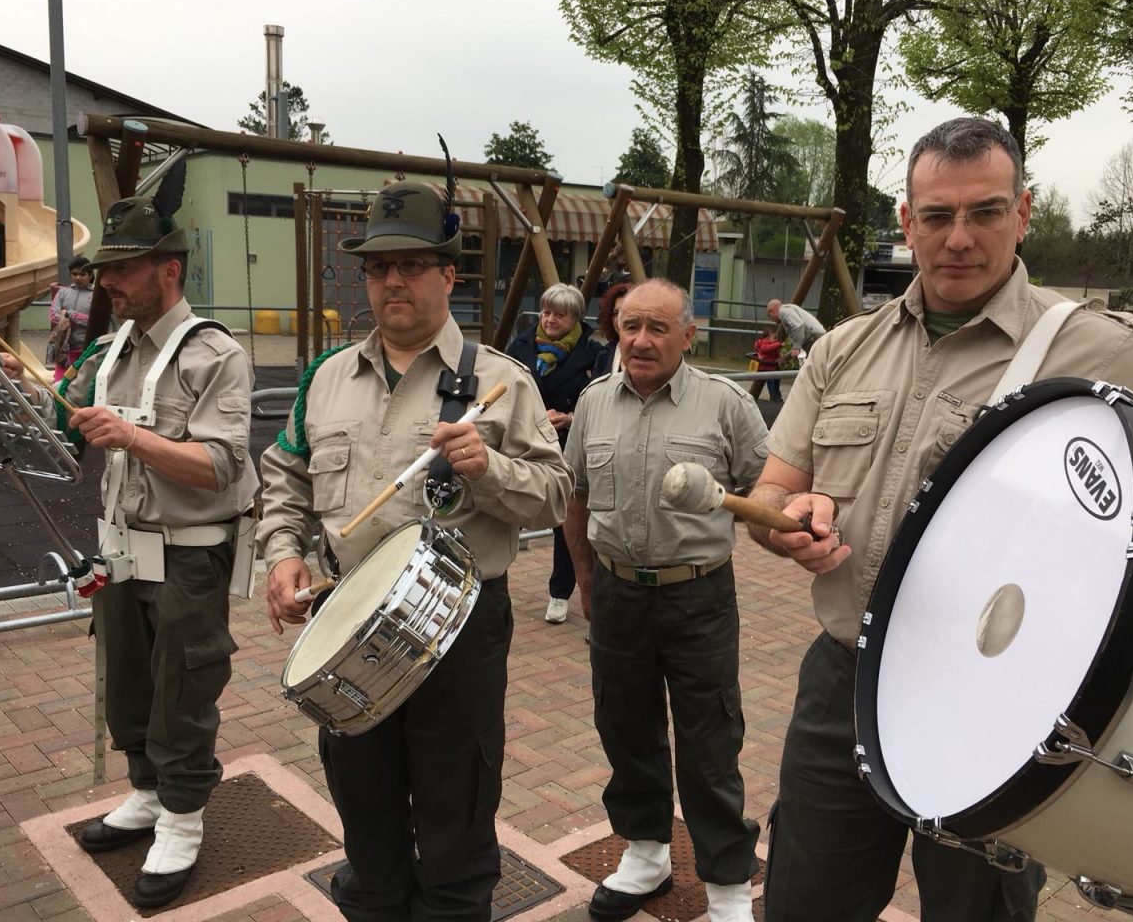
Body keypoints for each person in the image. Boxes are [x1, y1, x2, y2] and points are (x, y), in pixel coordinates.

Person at [747, 117, 1133, 922]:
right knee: (803, 903)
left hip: (999, 704)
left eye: (985, 212)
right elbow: (772, 493)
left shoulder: (1104, 354)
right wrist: (787, 518)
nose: (958, 238)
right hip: (844, 682)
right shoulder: (844, 350)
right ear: (907, 222)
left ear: (1022, 213)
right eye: (937, 216)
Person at [257, 180, 571, 922]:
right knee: (364, 816)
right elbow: (284, 474)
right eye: (377, 267)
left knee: (455, 813)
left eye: (412, 264)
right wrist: (281, 553)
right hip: (344, 617)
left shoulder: (502, 381)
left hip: (457, 624)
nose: (392, 280)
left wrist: (489, 469)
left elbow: (556, 496)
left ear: (449, 275)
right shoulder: (326, 378)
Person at [0, 197, 259, 908]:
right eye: (106, 270)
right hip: (121, 548)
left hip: (188, 555)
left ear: (168, 270)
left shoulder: (216, 355)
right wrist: (21, 385)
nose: (107, 282)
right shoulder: (110, 349)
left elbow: (221, 466)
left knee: (184, 689)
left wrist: (132, 437)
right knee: (129, 685)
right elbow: (64, 424)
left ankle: (182, 818)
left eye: (124, 269)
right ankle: (147, 793)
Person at [563, 278, 770, 922]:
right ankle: (646, 855)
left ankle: (728, 886)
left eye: (658, 327)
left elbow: (768, 490)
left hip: (698, 594)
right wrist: (586, 580)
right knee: (624, 726)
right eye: (631, 326)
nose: (642, 340)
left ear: (689, 334)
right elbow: (576, 496)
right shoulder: (594, 403)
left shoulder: (725, 405)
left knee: (709, 741)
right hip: (617, 592)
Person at [507, 283, 602, 624]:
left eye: (559, 315)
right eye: (546, 312)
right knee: (511, 507)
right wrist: (533, 416)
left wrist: (571, 417)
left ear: (575, 317)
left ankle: (560, 591)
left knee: (566, 518)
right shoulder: (520, 346)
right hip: (525, 442)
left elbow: (598, 398)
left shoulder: (593, 351)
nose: (549, 320)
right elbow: (505, 391)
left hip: (567, 443)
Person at [48, 256, 95, 379]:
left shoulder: (97, 295)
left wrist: (69, 314)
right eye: (74, 274)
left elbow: (94, 321)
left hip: (87, 349)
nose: (78, 278)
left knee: (82, 384)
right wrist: (74, 318)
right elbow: (53, 316)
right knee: (60, 384)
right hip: (64, 349)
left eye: (82, 274)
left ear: (90, 275)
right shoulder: (63, 292)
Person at [592, 280, 631, 375]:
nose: (620, 319)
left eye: (626, 311)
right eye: (616, 313)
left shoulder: (650, 352)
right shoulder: (604, 355)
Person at [751, 325, 785, 402]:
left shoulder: (773, 344)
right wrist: (779, 344)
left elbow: (776, 354)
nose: (776, 340)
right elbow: (766, 349)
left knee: (777, 382)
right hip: (764, 368)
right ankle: (773, 397)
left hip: (772, 367)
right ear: (767, 337)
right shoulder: (763, 343)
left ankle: (777, 395)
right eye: (774, 338)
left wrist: (780, 358)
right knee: (771, 383)